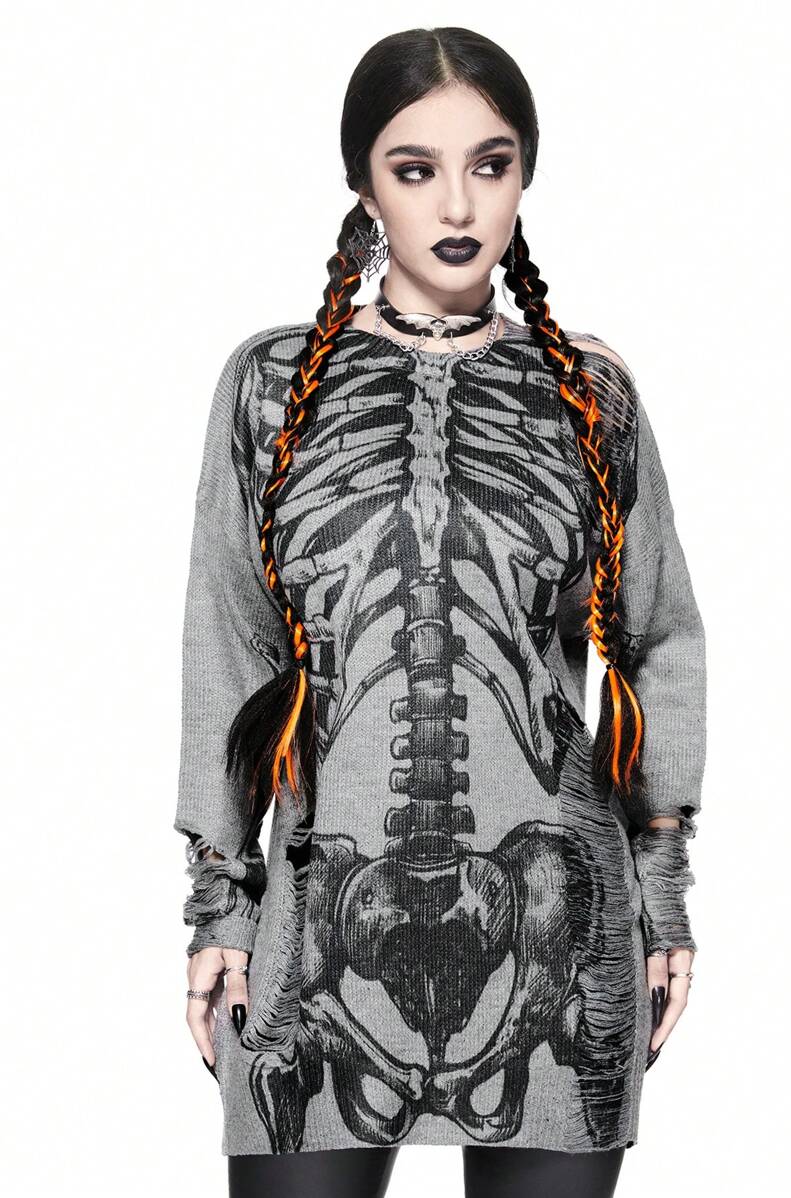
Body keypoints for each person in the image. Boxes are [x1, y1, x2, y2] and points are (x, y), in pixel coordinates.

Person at [174, 26, 706, 1198]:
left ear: (525, 177)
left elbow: (657, 637)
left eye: (491, 164)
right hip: (321, 917)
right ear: (365, 186)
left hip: (555, 926)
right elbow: (232, 642)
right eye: (415, 169)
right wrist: (219, 909)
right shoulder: (271, 384)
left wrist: (664, 896)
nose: (458, 204)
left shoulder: (590, 390)